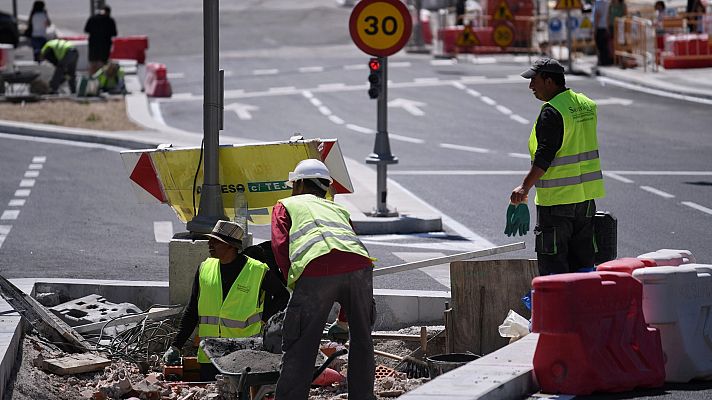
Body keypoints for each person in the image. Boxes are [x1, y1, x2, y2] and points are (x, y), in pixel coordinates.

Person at [272, 159, 376, 400]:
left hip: (316, 268)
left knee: (301, 344)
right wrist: (343, 320)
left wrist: (296, 284)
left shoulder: (287, 204)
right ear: (325, 187)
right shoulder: (338, 209)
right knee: (362, 341)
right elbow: (347, 253)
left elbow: (280, 247)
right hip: (360, 266)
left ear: (297, 184)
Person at [512, 58, 606, 276]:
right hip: (585, 201)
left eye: (534, 80)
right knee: (583, 264)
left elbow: (545, 156)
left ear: (549, 81)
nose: (530, 87)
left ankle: (558, 309)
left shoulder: (552, 112)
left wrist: (524, 187)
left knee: (554, 266)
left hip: (557, 203)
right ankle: (584, 307)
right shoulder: (585, 105)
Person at [163, 220, 289, 381]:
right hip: (210, 355)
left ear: (231, 246)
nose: (210, 243)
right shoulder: (205, 269)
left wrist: (264, 320)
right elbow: (192, 311)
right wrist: (176, 346)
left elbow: (283, 296)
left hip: (243, 354)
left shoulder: (257, 271)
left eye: (216, 241)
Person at [84, 5, 117, 74]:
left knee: (93, 63)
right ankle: (101, 81)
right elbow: (114, 33)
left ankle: (92, 80)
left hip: (93, 45)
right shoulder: (110, 20)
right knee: (103, 65)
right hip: (105, 46)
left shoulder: (92, 18)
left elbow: (86, 30)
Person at [593, 0, 613, 66]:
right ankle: (606, 61)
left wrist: (595, 29)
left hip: (600, 27)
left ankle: (602, 61)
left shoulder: (598, 3)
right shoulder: (607, 3)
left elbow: (597, 15)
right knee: (605, 45)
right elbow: (608, 15)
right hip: (606, 27)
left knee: (600, 46)